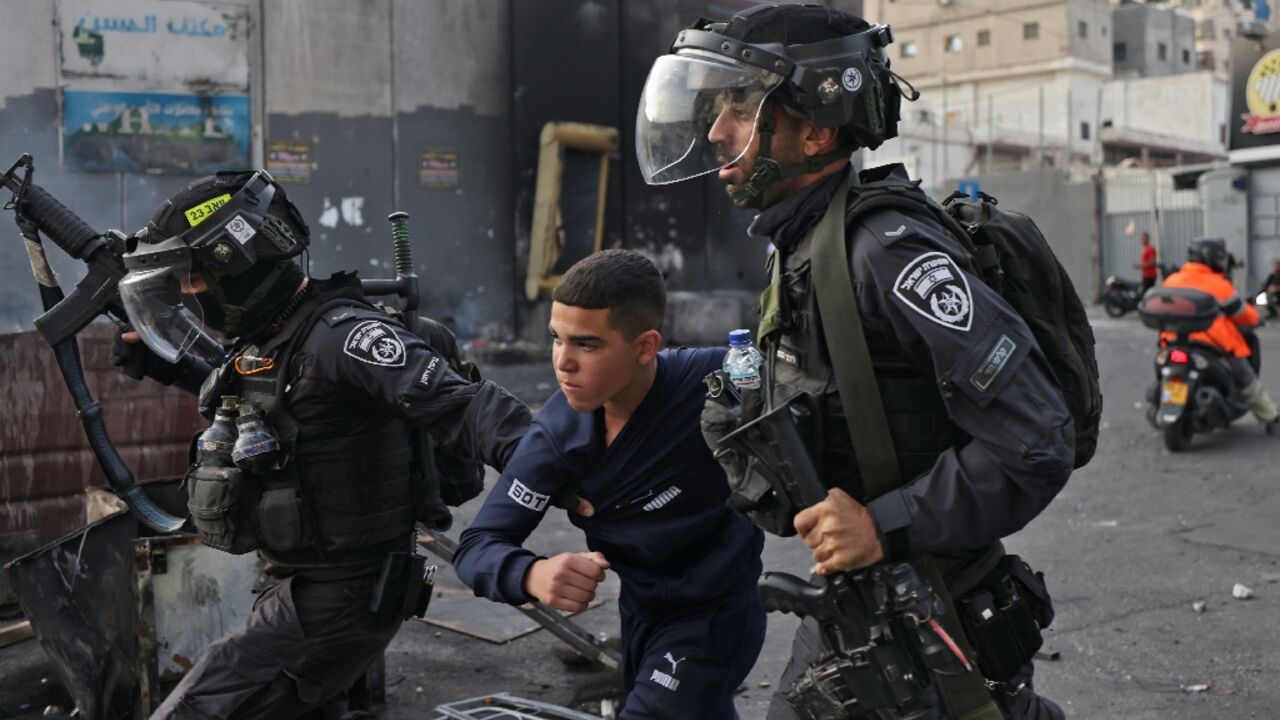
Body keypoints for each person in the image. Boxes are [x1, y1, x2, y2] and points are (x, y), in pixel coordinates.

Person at [635, 4, 1074, 719]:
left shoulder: (885, 253)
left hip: (934, 613)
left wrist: (884, 524)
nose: (716, 132)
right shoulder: (805, 243)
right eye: (716, 109)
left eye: (742, 109)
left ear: (815, 127)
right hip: (864, 604)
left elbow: (1037, 438)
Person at [111, 170, 532, 719]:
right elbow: (273, 408)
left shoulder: (342, 338)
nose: (190, 296)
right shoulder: (275, 339)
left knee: (197, 709)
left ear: (236, 266)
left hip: (345, 594)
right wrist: (166, 367)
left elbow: (466, 407)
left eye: (192, 280)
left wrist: (566, 476)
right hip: (305, 583)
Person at [452, 249, 766, 719]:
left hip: (718, 614)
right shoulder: (558, 435)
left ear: (644, 346)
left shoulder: (715, 379)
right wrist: (530, 574)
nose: (563, 363)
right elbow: (476, 546)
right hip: (641, 617)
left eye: (587, 344)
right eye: (556, 339)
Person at [1163, 239, 1279, 434]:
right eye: (1218, 258)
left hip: (1173, 342)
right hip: (1214, 344)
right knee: (1245, 376)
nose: (1221, 262)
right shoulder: (1218, 285)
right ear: (1208, 259)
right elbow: (1245, 315)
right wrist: (1256, 317)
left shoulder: (1171, 280)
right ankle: (1269, 415)